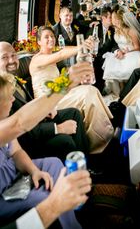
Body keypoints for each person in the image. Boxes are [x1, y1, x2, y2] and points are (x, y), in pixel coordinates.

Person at [0, 72, 89, 229]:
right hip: (2, 194)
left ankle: (74, 212)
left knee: (54, 163)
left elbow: (16, 151)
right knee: (42, 198)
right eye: (8, 97)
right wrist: (66, 82)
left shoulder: (4, 121)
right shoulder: (9, 126)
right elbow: (20, 122)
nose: (13, 100)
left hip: (13, 172)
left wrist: (34, 171)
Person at [29, 26, 114, 153]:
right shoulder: (37, 60)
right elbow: (61, 53)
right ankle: (103, 138)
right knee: (87, 93)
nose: (51, 39)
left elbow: (59, 80)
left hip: (57, 95)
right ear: (39, 42)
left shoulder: (50, 59)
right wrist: (80, 46)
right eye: (46, 37)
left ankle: (105, 132)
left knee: (90, 89)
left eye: (52, 36)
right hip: (47, 103)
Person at [0, 41, 89, 162]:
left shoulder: (14, 78)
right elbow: (18, 126)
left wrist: (43, 110)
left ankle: (84, 163)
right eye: (5, 57)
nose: (11, 60)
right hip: (24, 141)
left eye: (13, 55)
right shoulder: (2, 90)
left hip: (32, 124)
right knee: (64, 141)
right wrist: (57, 128)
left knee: (74, 113)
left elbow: (26, 108)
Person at [102, 5, 140, 96]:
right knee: (110, 61)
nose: (112, 20)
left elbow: (137, 47)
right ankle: (118, 93)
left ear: (119, 19)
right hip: (121, 53)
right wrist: (119, 51)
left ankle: (125, 93)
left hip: (132, 53)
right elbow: (116, 45)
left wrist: (126, 52)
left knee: (122, 69)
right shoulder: (115, 30)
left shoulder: (131, 30)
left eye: (114, 17)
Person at [85, 6, 118, 92]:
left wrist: (115, 52)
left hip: (105, 57)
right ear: (103, 18)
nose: (112, 19)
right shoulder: (95, 28)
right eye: (110, 17)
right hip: (93, 56)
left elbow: (114, 44)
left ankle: (100, 90)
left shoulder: (113, 30)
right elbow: (87, 43)